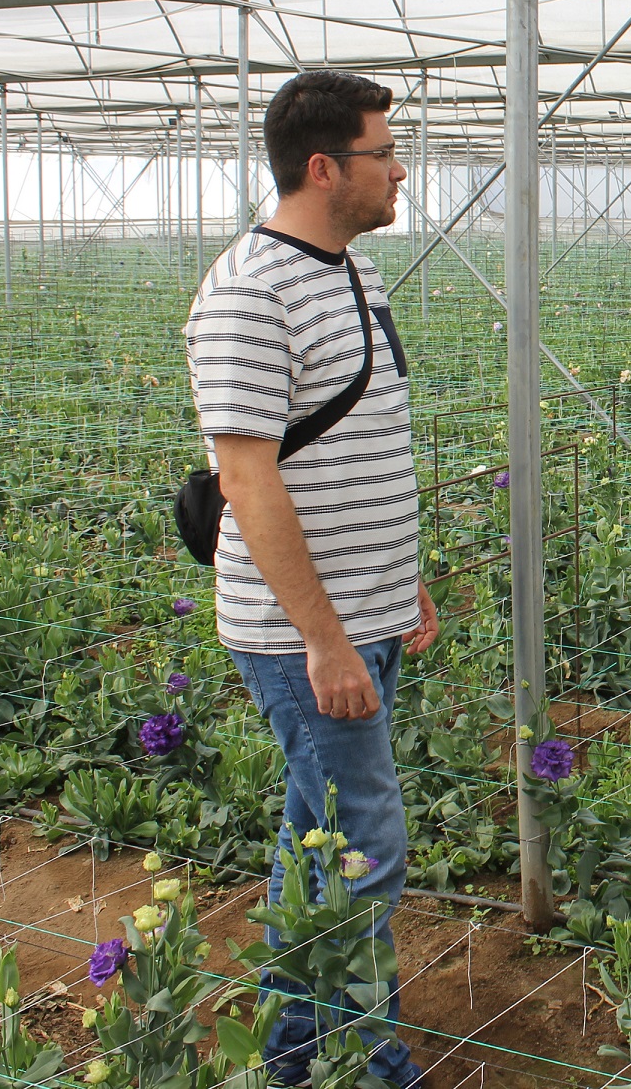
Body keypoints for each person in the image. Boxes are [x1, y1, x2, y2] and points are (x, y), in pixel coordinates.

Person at [185, 70, 437, 1089]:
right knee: (365, 838)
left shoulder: (355, 276)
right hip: (301, 637)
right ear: (326, 168)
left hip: (359, 611)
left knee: (316, 829)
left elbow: (360, 441)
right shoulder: (249, 289)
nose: (400, 170)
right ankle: (360, 1059)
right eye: (385, 153)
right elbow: (245, 476)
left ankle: (295, 1054)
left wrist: (399, 580)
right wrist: (326, 639)